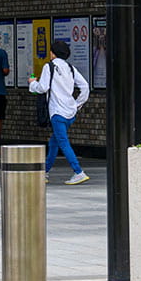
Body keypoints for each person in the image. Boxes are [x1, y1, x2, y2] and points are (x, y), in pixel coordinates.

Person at [29, 40, 91, 185]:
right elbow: (85, 87)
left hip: (57, 113)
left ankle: (78, 172)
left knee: (63, 142)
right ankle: (44, 172)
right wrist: (77, 104)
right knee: (54, 143)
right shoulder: (70, 68)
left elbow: (43, 88)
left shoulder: (49, 66)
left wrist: (32, 83)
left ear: (53, 53)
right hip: (70, 113)